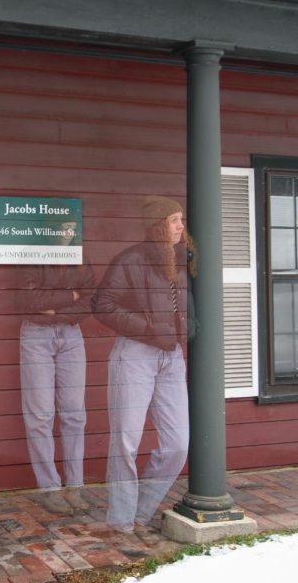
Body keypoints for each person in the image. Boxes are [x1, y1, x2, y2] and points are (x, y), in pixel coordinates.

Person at [92, 196, 192, 532]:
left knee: (178, 444)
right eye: (175, 220)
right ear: (158, 224)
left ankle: (141, 511)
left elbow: (186, 305)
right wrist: (149, 329)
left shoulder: (182, 260)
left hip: (172, 358)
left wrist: (189, 327)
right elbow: (103, 305)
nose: (181, 226)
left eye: (181, 219)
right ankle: (122, 521)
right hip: (135, 355)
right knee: (125, 441)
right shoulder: (130, 259)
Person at [16, 222, 96, 513]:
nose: (68, 233)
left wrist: (58, 306)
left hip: (72, 334)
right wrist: (69, 296)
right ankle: (49, 487)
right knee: (40, 414)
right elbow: (28, 299)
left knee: (75, 413)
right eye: (63, 227)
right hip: (37, 335)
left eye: (73, 228)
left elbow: (91, 300)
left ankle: (75, 486)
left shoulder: (80, 257)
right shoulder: (32, 254)